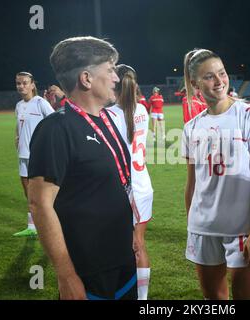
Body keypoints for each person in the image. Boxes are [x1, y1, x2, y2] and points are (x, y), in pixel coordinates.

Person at [27, 36, 137, 300]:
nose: (115, 78)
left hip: (122, 259)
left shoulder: (105, 120)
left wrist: (134, 237)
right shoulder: (56, 128)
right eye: (110, 70)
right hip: (89, 270)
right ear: (86, 79)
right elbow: (39, 204)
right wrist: (66, 276)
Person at [182, 48, 250, 299]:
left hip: (241, 230)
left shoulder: (249, 117)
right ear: (194, 83)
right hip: (203, 229)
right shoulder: (192, 127)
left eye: (221, 73)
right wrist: (193, 226)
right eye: (210, 77)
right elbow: (192, 185)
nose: (220, 81)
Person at [106, 64, 154, 300]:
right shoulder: (142, 110)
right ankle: (142, 299)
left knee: (117, 246)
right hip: (143, 185)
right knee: (139, 245)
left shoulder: (108, 116)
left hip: (122, 188)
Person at [13, 72, 54, 237]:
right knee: (28, 192)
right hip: (23, 155)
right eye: (18, 83)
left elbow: (54, 122)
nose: (21, 86)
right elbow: (19, 125)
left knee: (43, 194)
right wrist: (17, 136)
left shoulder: (40, 103)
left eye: (24, 83)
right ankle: (32, 227)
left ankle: (51, 225)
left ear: (32, 85)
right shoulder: (18, 105)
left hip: (38, 155)